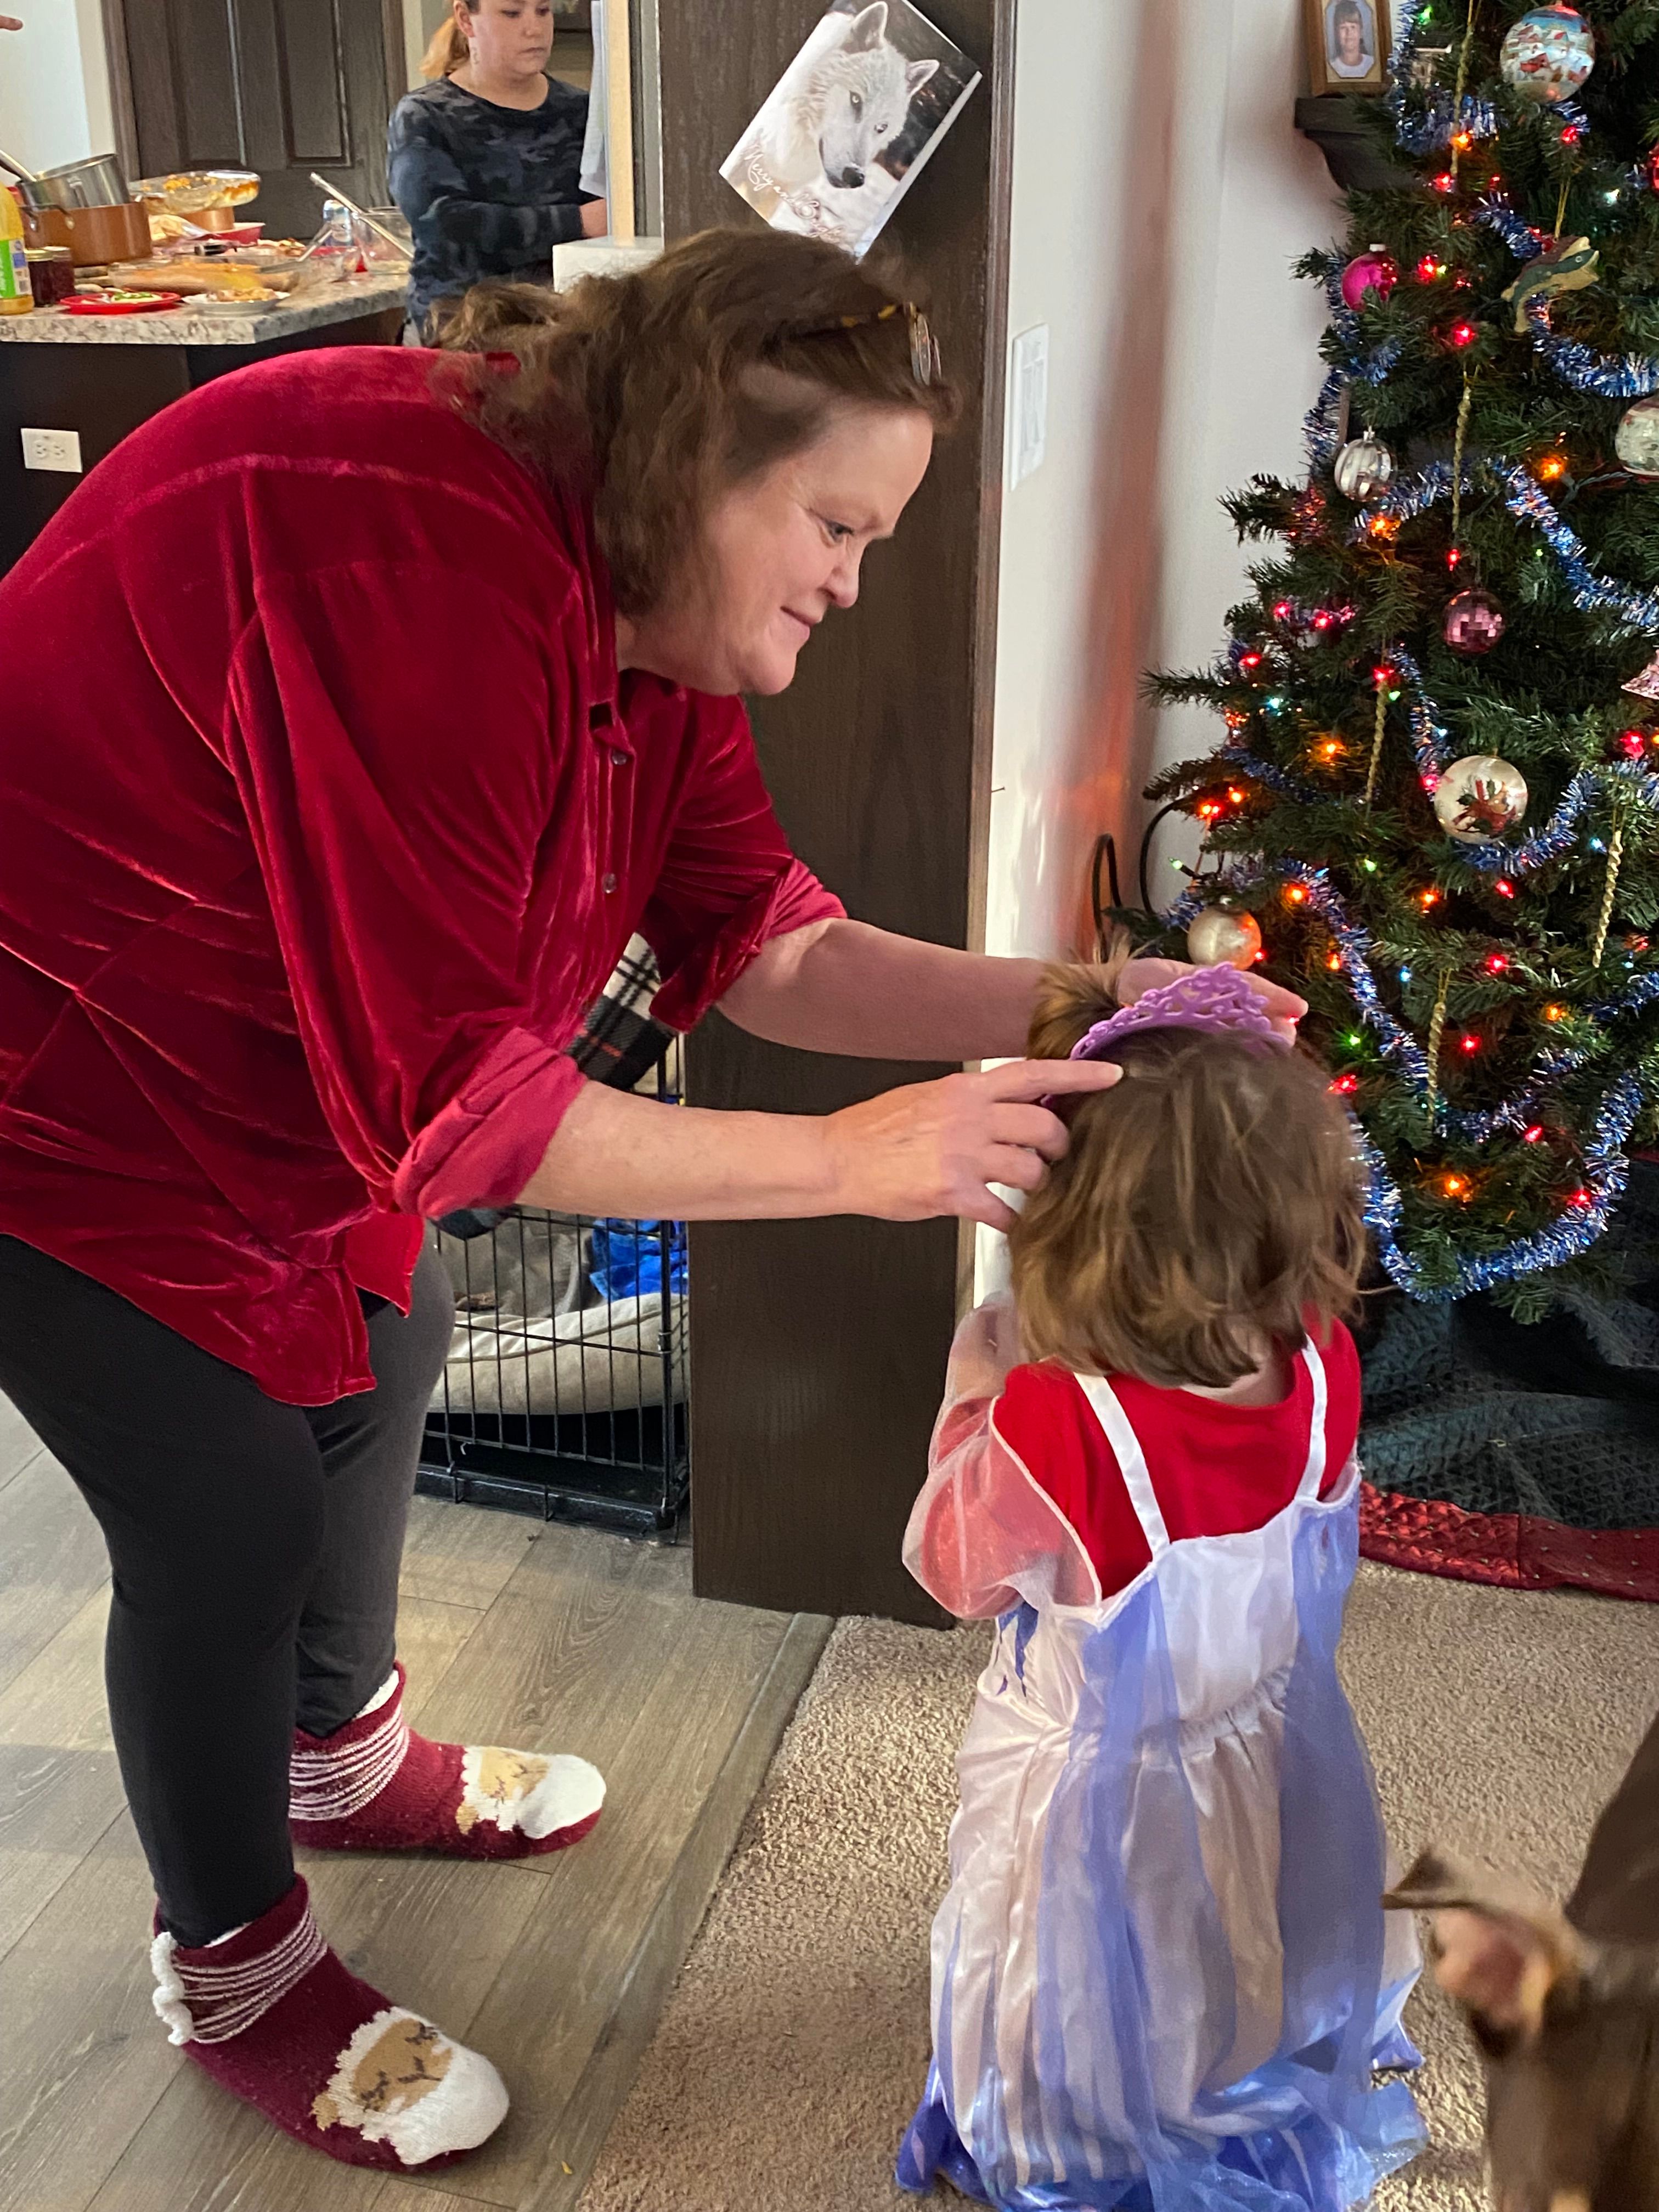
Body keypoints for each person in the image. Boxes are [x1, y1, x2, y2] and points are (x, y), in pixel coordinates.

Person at [0, 227, 1306, 2172]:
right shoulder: (412, 562)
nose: (853, 586)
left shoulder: (638, 581)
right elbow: (462, 1110)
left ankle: (341, 1757)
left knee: (402, 1319)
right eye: (839, 529)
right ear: (705, 460)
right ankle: (236, 1958)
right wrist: (855, 1164)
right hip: (57, 1064)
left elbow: (768, 943)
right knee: (223, 1498)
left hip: (257, 1060)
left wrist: (1072, 1002)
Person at [895, 962, 1424, 2211]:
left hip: (1094, 1781)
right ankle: (1232, 2062)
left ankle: (1066, 2143)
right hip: (1255, 1730)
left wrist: (976, 1386)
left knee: (1074, 1959)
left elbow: (957, 1575)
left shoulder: (1055, 1423)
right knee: (1231, 1920)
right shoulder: (1326, 1363)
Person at [388, 0, 606, 340]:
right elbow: (443, 222)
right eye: (512, 13)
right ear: (466, 19)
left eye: (543, 11)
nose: (534, 28)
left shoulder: (582, 110)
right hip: (457, 331)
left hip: (562, 329)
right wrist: (577, 222)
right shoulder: (425, 115)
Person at [1327, 0, 1376, 81]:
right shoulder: (1332, 67)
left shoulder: (1372, 64)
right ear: (1336, 34)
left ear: (1361, 32)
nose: (1349, 33)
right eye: (1343, 28)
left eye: (1353, 27)